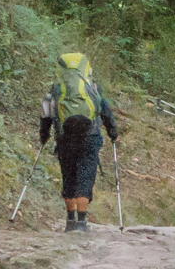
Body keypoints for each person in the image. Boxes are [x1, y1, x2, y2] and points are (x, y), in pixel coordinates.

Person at [40, 53, 119, 232]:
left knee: (69, 177)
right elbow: (105, 111)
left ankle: (70, 222)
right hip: (89, 138)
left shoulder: (55, 90)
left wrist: (43, 136)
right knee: (85, 177)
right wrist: (113, 132)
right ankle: (82, 223)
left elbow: (46, 115)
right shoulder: (93, 89)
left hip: (64, 138)